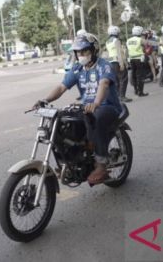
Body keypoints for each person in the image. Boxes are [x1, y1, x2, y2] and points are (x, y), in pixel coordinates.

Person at [32, 33, 122, 185]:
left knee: (96, 119)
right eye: (78, 52)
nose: (81, 55)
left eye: (84, 51)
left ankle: (101, 165)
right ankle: (68, 162)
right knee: (62, 122)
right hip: (87, 108)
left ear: (93, 51)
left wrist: (96, 102)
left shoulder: (103, 65)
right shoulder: (77, 68)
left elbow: (104, 84)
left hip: (107, 106)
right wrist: (45, 100)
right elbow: (61, 87)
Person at [106, 26, 132, 103]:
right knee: (123, 79)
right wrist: (122, 63)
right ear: (116, 33)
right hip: (117, 61)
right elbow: (119, 52)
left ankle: (117, 96)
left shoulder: (108, 41)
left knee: (116, 80)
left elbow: (108, 53)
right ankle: (122, 96)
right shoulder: (116, 40)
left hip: (111, 62)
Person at [126, 26, 151, 97]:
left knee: (134, 75)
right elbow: (147, 44)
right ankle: (140, 92)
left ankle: (136, 90)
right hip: (139, 59)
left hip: (131, 59)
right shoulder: (140, 39)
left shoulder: (128, 40)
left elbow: (127, 50)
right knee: (140, 76)